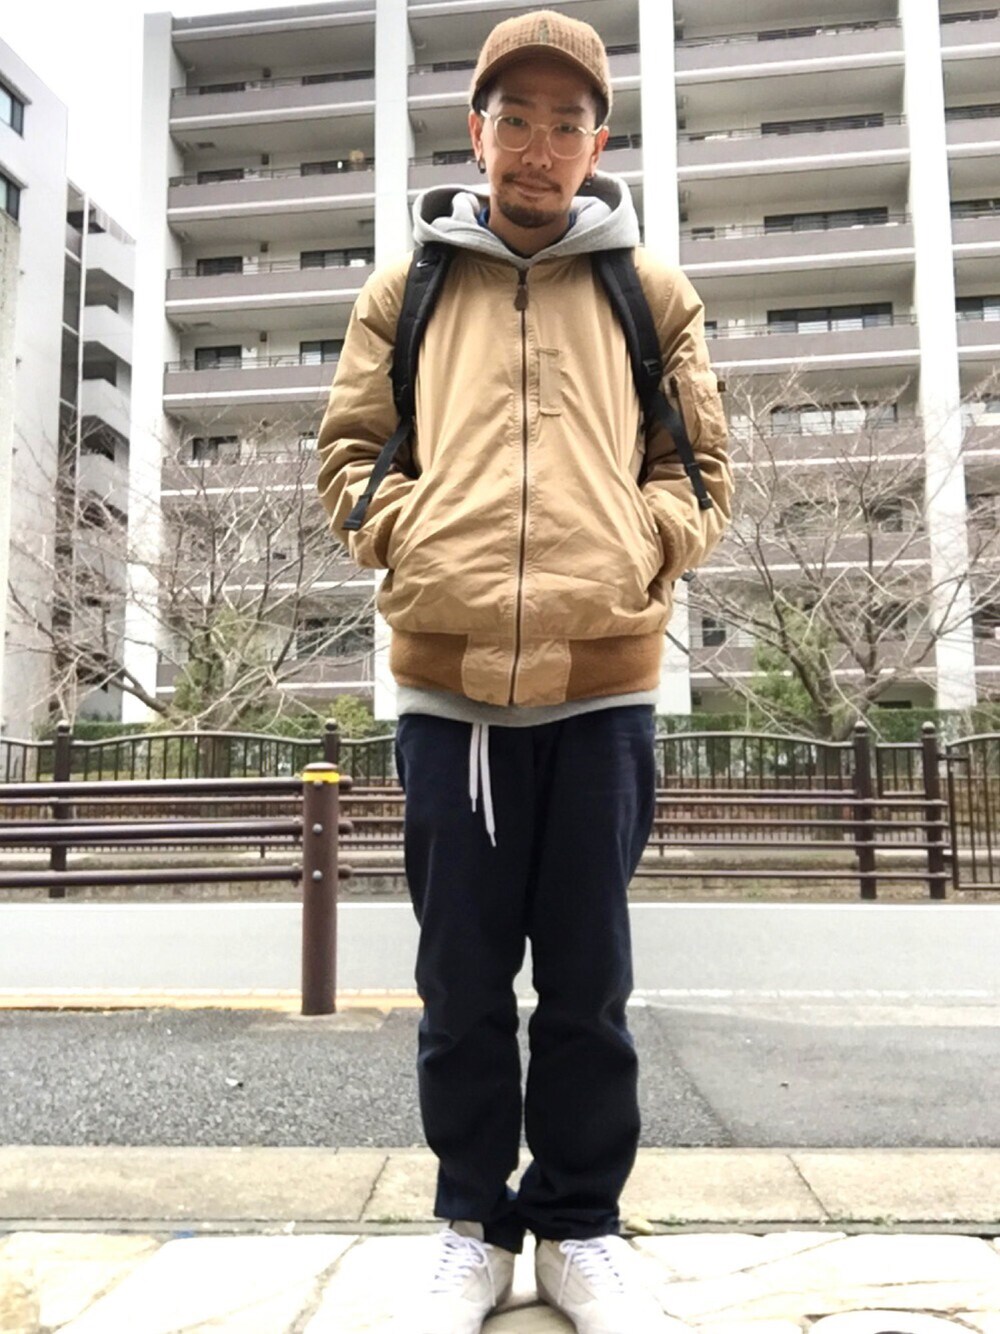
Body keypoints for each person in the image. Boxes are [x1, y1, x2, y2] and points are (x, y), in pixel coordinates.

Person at [317, 10, 732, 1331]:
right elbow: (348, 455)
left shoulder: (649, 294)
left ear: (597, 143)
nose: (539, 146)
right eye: (516, 119)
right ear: (477, 132)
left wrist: (636, 548)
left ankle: (579, 1227)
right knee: (460, 983)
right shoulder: (407, 291)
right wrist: (412, 538)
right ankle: (472, 1226)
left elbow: (701, 473)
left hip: (603, 683)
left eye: (566, 123)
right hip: (451, 691)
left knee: (589, 983)